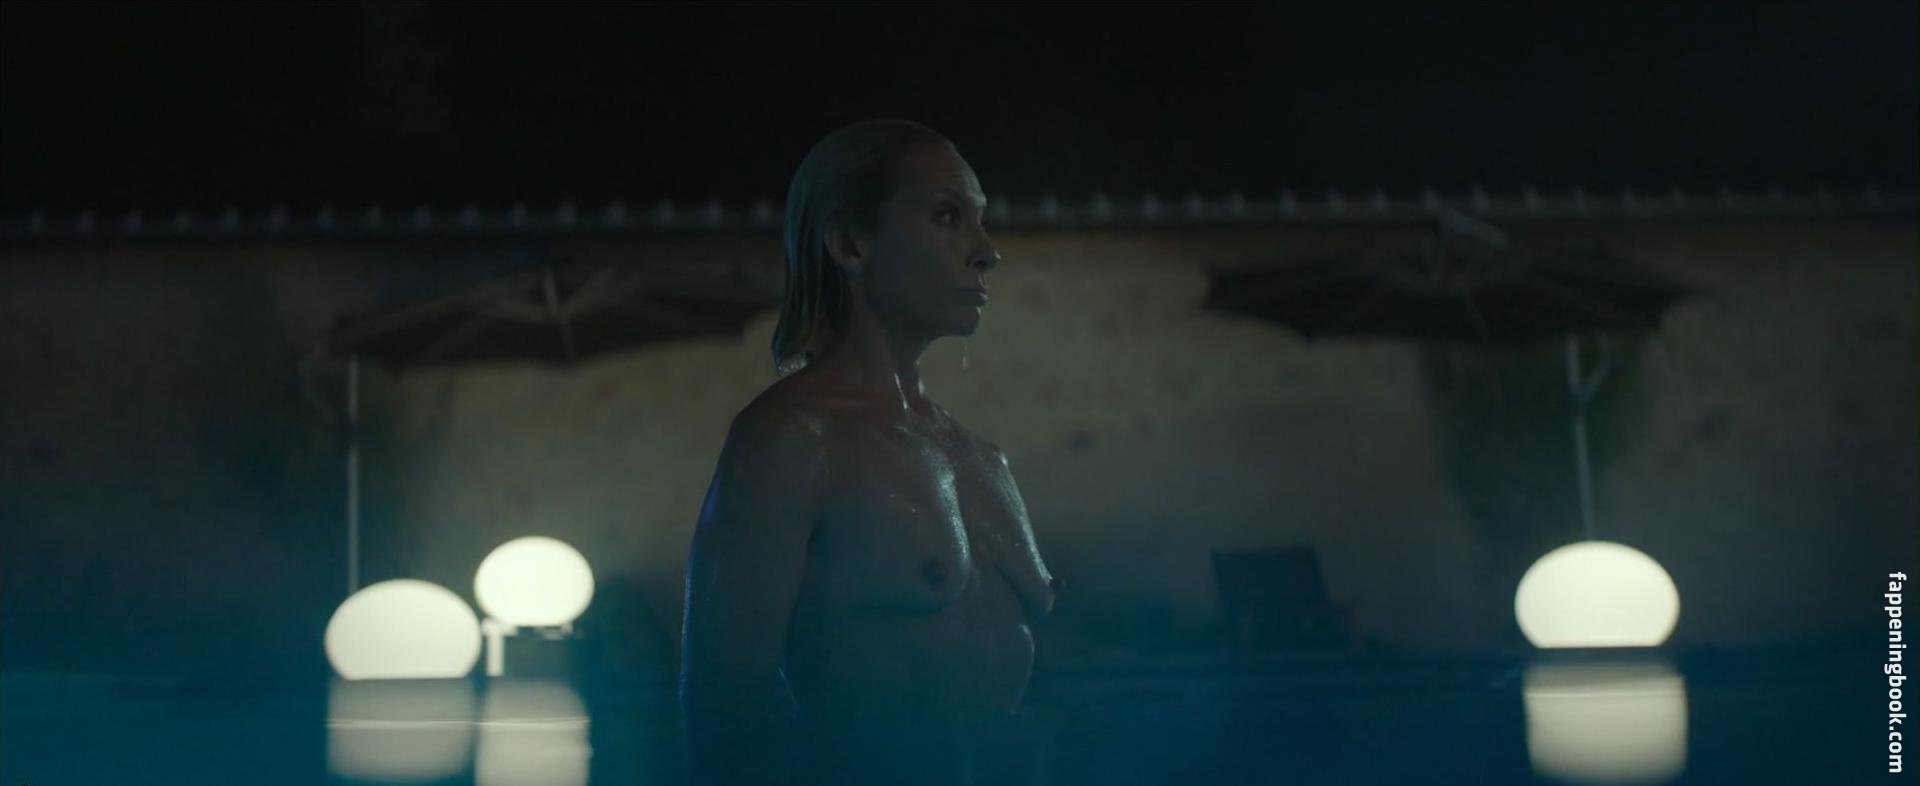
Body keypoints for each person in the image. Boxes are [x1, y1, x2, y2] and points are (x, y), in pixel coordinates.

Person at [679, 118, 1058, 786]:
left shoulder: (979, 457)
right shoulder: (792, 440)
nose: (986, 252)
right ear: (852, 244)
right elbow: (723, 713)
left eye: (980, 220)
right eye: (948, 216)